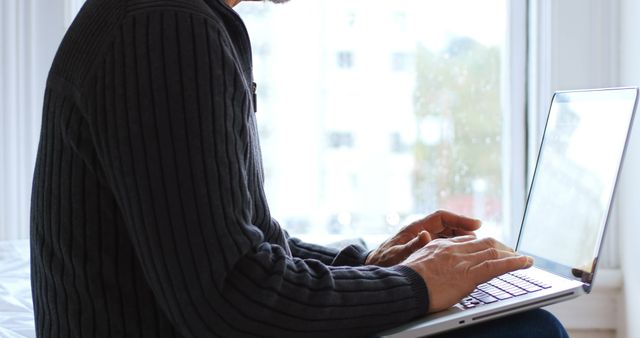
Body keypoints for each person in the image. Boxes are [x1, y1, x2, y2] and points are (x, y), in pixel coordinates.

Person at [29, 0, 568, 337]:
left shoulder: (169, 18)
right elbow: (232, 300)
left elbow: (238, 248)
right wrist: (414, 285)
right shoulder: (164, 28)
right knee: (530, 333)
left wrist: (369, 266)